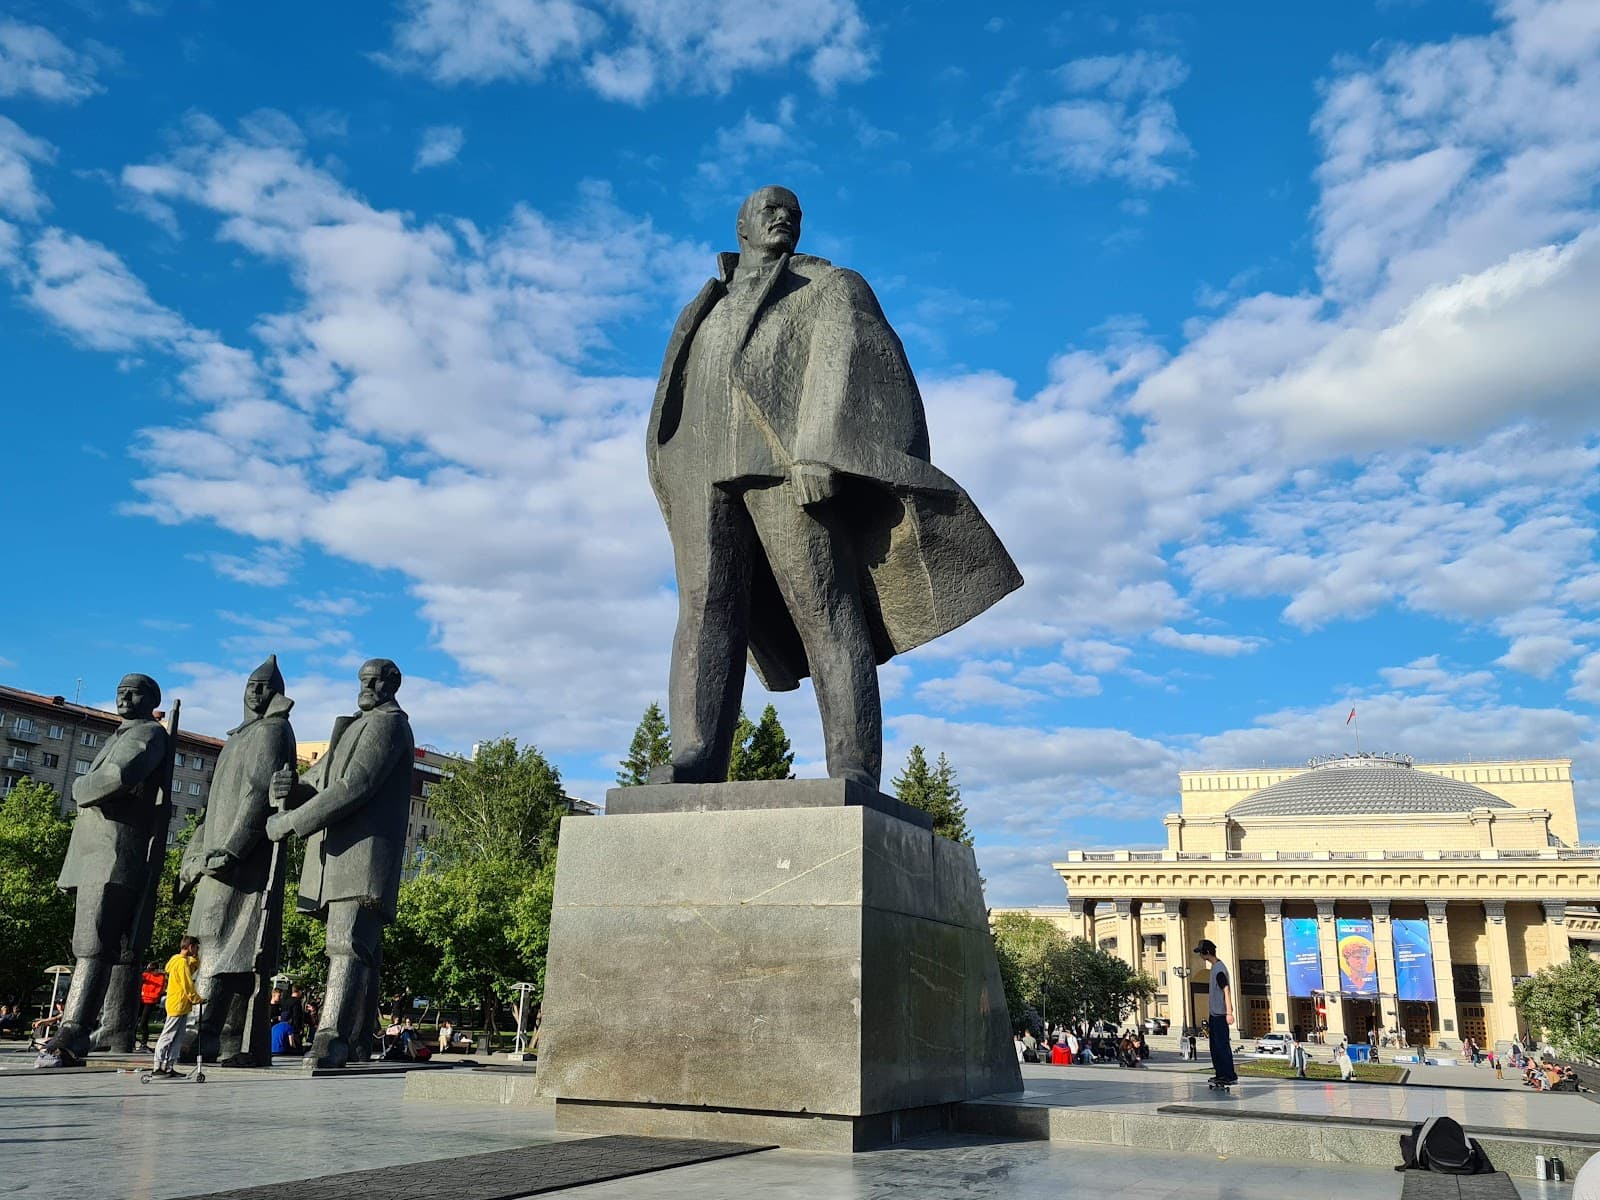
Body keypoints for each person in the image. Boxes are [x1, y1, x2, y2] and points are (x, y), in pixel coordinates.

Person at [644, 185, 1021, 789]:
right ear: (740, 224)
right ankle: (697, 755)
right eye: (769, 208)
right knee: (704, 612)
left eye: (793, 211)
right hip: (698, 467)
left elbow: (847, 360)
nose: (784, 216)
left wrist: (820, 447)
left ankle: (853, 764)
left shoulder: (829, 286)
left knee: (824, 605)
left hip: (785, 462)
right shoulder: (705, 302)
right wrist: (666, 464)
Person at [268, 659, 415, 1069]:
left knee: (346, 944)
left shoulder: (388, 725)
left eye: (376, 681)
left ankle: (331, 1036)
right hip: (340, 856)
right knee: (360, 949)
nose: (367, 686)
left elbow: (355, 786)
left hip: (363, 858)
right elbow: (321, 782)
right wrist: (293, 788)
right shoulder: (355, 726)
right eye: (363, 680)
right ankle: (353, 1040)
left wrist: (290, 822)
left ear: (393, 685)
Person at [42, 674, 170, 1068]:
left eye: (134, 693)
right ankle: (115, 1027)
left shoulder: (146, 733)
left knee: (94, 942)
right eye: (119, 692)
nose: (124, 698)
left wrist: (79, 786)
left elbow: (117, 777)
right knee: (114, 944)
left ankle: (73, 1030)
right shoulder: (122, 733)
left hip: (115, 851)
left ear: (151, 700)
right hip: (97, 851)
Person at [180, 655, 298, 1067]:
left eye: (265, 685)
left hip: (241, 864)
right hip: (217, 859)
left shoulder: (272, 731)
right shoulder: (240, 736)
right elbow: (213, 808)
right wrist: (195, 853)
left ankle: (211, 1032)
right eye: (252, 683)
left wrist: (230, 850)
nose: (256, 691)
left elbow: (256, 796)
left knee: (228, 948)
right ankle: (216, 1035)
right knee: (215, 945)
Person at [152, 936, 203, 1077]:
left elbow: (193, 968)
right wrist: (196, 998)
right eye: (196, 948)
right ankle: (158, 1065)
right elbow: (187, 983)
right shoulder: (180, 963)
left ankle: (169, 1066)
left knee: (178, 1036)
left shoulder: (181, 961)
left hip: (181, 1004)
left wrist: (195, 957)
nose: (198, 951)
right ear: (191, 946)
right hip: (177, 1002)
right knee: (168, 1035)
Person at [1195, 939, 1237, 1087]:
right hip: (1215, 1014)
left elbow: (1226, 989)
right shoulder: (1215, 967)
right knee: (1215, 1046)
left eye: (1201, 952)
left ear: (1207, 952)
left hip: (1220, 1015)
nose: (1200, 955)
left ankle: (1229, 1075)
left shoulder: (1219, 969)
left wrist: (1229, 1013)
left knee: (1221, 1046)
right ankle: (1221, 1074)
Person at [136, 961, 166, 1052]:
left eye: (152, 970)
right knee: (134, 1021)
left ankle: (144, 1043)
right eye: (149, 970)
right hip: (142, 1000)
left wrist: (144, 993)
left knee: (143, 1022)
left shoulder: (161, 977)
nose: (150, 972)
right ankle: (133, 1041)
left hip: (150, 1002)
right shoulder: (146, 974)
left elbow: (156, 994)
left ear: (157, 969)